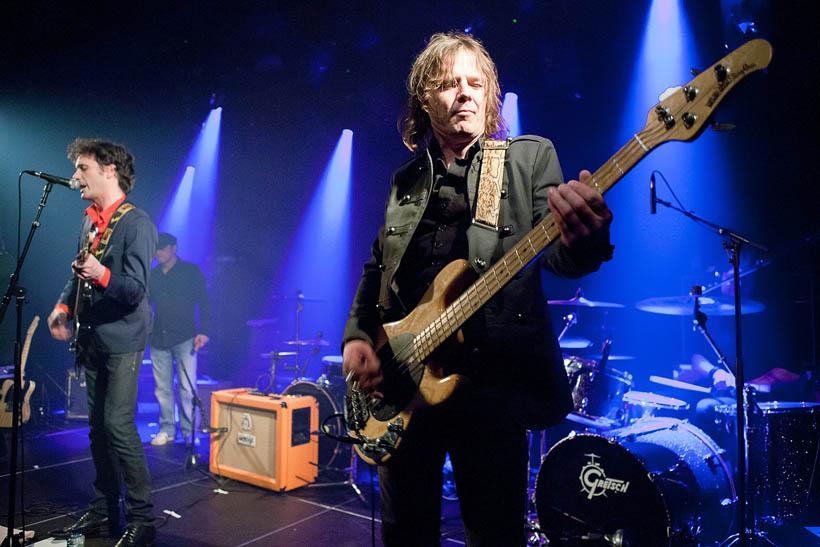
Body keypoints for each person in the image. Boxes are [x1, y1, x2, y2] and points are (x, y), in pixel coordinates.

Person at [342, 32, 613, 546]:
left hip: (491, 386)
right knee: (406, 533)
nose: (464, 93)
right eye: (449, 84)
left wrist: (586, 238)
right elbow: (377, 269)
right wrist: (358, 337)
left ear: (490, 95)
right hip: (404, 382)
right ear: (426, 98)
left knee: (494, 535)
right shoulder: (405, 181)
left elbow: (557, 253)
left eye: (476, 83)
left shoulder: (526, 159)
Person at [47, 138, 157, 547]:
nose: (76, 177)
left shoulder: (136, 222)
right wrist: (63, 305)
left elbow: (135, 291)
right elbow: (78, 273)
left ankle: (143, 519)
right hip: (91, 337)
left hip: (124, 338)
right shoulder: (90, 220)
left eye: (83, 168)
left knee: (117, 424)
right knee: (96, 428)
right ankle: (104, 508)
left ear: (110, 170)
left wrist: (103, 275)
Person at [148, 232, 210, 446]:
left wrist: (204, 331)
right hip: (158, 339)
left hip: (185, 338)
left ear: (174, 248)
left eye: (163, 247)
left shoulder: (190, 272)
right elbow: (145, 305)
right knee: (162, 388)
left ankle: (190, 432)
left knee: (186, 387)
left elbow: (205, 302)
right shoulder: (153, 275)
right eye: (157, 248)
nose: (158, 252)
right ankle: (167, 429)